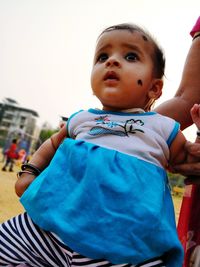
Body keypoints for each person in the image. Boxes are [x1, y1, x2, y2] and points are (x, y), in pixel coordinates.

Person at [1, 20, 200, 267]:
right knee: (6, 246)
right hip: (51, 229)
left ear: (154, 88)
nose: (112, 61)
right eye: (102, 56)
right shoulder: (81, 119)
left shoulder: (163, 127)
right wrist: (30, 172)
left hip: (122, 242)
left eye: (130, 56)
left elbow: (186, 160)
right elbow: (51, 145)